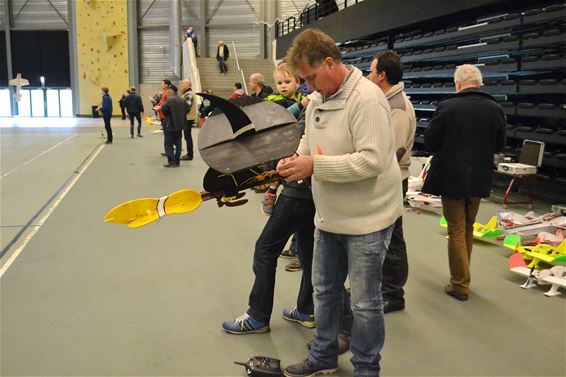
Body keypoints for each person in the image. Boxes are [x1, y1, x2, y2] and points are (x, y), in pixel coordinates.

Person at [277, 29, 403, 377]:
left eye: (311, 77)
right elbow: (308, 138)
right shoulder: (318, 99)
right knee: (325, 292)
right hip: (330, 216)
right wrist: (295, 158)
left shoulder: (367, 99)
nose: (309, 86)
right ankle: (323, 356)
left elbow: (372, 161)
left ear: (330, 62)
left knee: (364, 303)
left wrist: (313, 166)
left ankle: (366, 367)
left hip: (368, 220)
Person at [222, 70, 316, 337]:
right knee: (308, 253)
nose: (285, 86)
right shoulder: (304, 106)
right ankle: (308, 310)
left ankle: (257, 316)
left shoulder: (313, 107)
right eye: (280, 82)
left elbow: (288, 139)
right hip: (309, 194)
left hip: (298, 193)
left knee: (265, 250)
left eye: (290, 81)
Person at [422, 64, 506, 301]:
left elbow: (430, 141)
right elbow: (500, 146)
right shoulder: (495, 109)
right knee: (468, 226)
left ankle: (460, 284)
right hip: (479, 176)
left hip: (451, 177)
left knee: (456, 229)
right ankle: (463, 275)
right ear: (479, 83)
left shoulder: (447, 107)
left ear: (458, 83)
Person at [368, 50, 416, 313]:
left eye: (372, 71)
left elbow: (393, 153)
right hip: (386, 179)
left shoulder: (397, 107)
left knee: (393, 239)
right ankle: (380, 287)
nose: (368, 75)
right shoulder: (385, 101)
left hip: (394, 181)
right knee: (380, 237)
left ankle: (393, 294)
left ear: (382, 76)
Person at [161, 84, 188, 167]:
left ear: (172, 91)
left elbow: (163, 109)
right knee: (178, 144)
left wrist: (167, 116)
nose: (167, 93)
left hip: (170, 125)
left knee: (168, 144)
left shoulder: (169, 100)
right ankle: (177, 161)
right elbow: (187, 109)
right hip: (179, 126)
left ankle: (172, 162)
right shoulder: (183, 100)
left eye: (168, 91)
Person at [180, 79, 196, 161]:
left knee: (188, 136)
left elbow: (186, 107)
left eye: (183, 84)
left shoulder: (188, 94)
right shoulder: (186, 94)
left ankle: (190, 155)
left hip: (187, 118)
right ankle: (189, 153)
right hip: (187, 118)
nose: (181, 85)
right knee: (187, 136)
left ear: (187, 85)